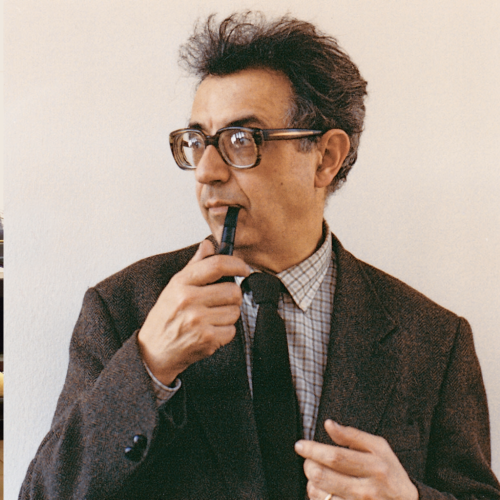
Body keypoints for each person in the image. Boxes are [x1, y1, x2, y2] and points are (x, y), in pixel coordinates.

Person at [20, 12, 500, 500]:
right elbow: (42, 493)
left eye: (240, 140)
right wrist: (148, 366)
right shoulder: (123, 309)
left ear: (326, 157)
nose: (206, 171)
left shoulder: (434, 340)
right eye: (197, 142)